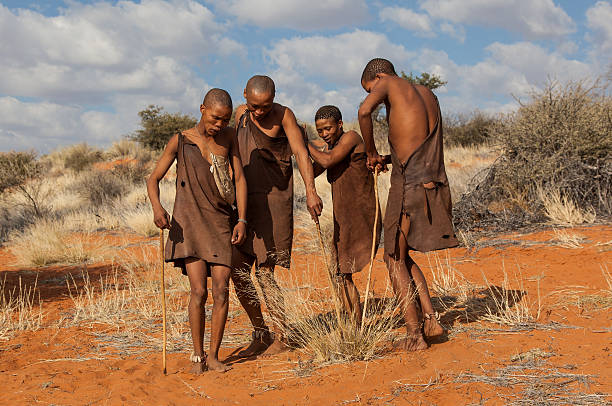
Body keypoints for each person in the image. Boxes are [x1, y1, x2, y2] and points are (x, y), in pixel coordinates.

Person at [358, 58, 458, 351]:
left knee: (392, 258)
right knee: (401, 255)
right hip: (434, 184)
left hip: (409, 187)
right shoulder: (427, 94)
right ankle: (431, 319)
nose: (371, 95)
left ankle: (415, 336)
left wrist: (372, 152)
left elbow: (364, 112)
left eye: (369, 89)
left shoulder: (388, 83)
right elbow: (415, 144)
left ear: (377, 77)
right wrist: (388, 159)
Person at [147, 88, 247, 373]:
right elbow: (153, 179)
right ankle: (197, 356)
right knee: (198, 291)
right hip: (189, 224)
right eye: (216, 118)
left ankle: (214, 356)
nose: (220, 125)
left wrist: (242, 220)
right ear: (202, 109)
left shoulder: (229, 138)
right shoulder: (179, 141)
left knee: (222, 290)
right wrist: (158, 208)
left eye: (225, 120)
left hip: (220, 222)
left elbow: (239, 179)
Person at [231, 75, 323, 357]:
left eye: (265, 106)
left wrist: (310, 191)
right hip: (243, 202)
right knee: (237, 270)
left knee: (265, 271)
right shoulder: (239, 114)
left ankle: (282, 333)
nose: (259, 111)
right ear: (245, 95)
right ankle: (260, 332)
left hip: (274, 201)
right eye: (254, 106)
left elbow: (301, 153)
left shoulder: (284, 115)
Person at [306, 105, 381, 324]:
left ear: (339, 124)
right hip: (343, 216)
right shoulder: (332, 146)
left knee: (342, 270)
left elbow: (327, 162)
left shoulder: (350, 137)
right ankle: (352, 322)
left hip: (359, 213)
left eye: (328, 129)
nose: (324, 134)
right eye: (320, 131)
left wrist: (305, 143)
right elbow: (315, 167)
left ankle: (356, 325)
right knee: (338, 272)